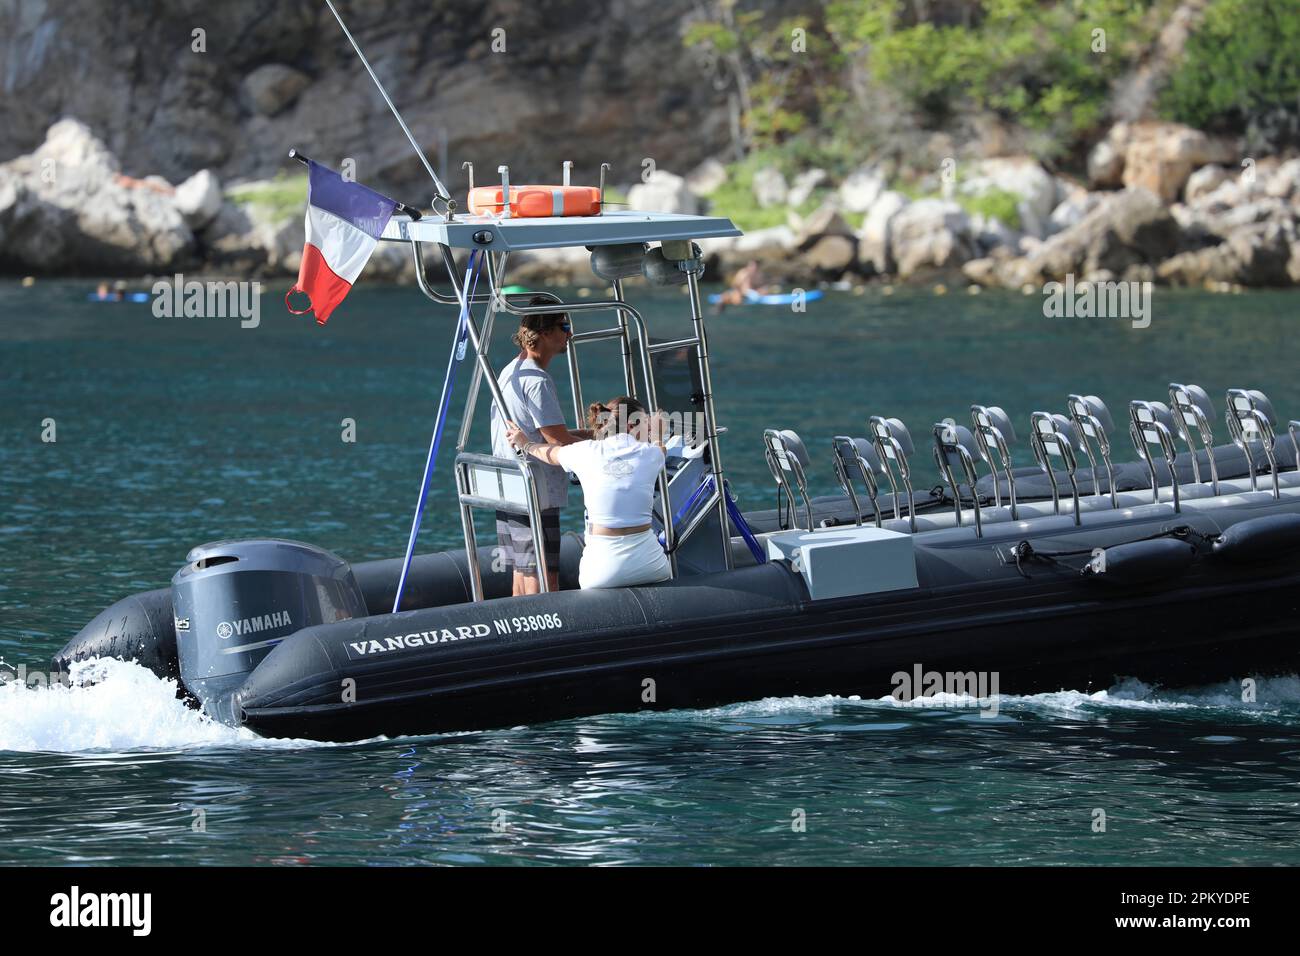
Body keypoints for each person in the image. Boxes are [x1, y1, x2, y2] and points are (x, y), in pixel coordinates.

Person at [506, 396, 671, 590]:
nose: (649, 430)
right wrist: (659, 432)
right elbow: (661, 448)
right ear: (631, 425)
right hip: (651, 565)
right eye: (646, 424)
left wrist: (524, 443)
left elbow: (548, 454)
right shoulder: (651, 454)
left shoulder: (584, 451)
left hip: (601, 572)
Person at [489, 297, 591, 595]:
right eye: (565, 326)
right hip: (535, 489)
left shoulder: (512, 370)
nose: (570, 334)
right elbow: (558, 443)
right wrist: (605, 447)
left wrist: (586, 435)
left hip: (510, 485)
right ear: (545, 332)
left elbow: (542, 432)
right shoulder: (537, 380)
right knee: (544, 575)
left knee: (524, 570)